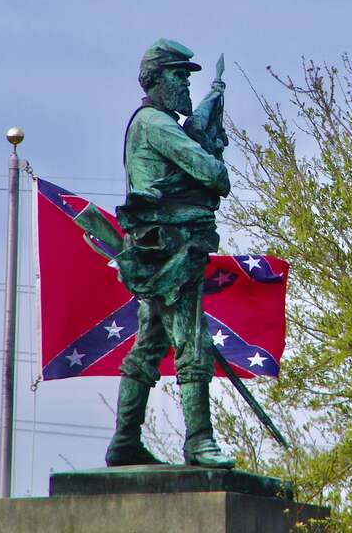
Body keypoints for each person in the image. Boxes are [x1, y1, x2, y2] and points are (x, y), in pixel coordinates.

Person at [104, 38, 235, 469]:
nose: (186, 86)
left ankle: (124, 441)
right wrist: (211, 156)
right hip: (170, 253)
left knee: (149, 344)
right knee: (192, 340)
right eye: (179, 76)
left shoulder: (160, 124)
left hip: (165, 251)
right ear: (156, 82)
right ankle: (198, 441)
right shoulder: (156, 124)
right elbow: (211, 174)